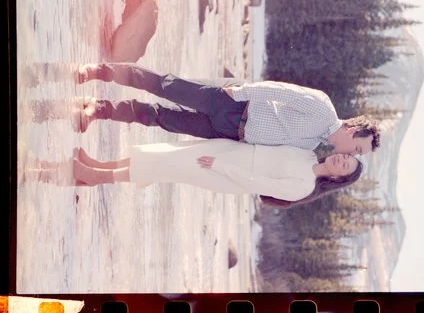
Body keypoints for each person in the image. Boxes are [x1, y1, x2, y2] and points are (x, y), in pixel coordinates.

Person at [54, 62, 383, 158]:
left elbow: (261, 150)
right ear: (354, 131)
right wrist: (237, 91)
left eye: (358, 154)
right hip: (233, 104)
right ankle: (99, 71)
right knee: (164, 85)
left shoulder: (311, 147)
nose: (353, 153)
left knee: (161, 118)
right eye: (358, 148)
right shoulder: (323, 108)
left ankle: (98, 109)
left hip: (228, 132)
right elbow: (277, 89)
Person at [33, 142, 363, 207]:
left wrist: (221, 166)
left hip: (226, 173)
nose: (340, 162)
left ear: (338, 179)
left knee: (164, 167)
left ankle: (93, 176)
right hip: (228, 151)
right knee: (164, 154)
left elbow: (258, 183)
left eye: (345, 167)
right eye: (344, 158)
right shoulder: (306, 154)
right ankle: (99, 167)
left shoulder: (304, 186)